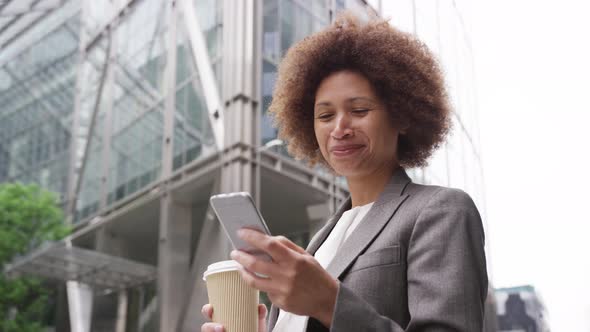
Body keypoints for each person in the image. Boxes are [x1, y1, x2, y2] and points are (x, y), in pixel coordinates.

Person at [202, 11, 487, 332]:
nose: (339, 128)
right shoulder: (320, 242)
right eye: (325, 116)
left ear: (403, 117)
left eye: (359, 110)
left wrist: (329, 302)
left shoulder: (441, 210)